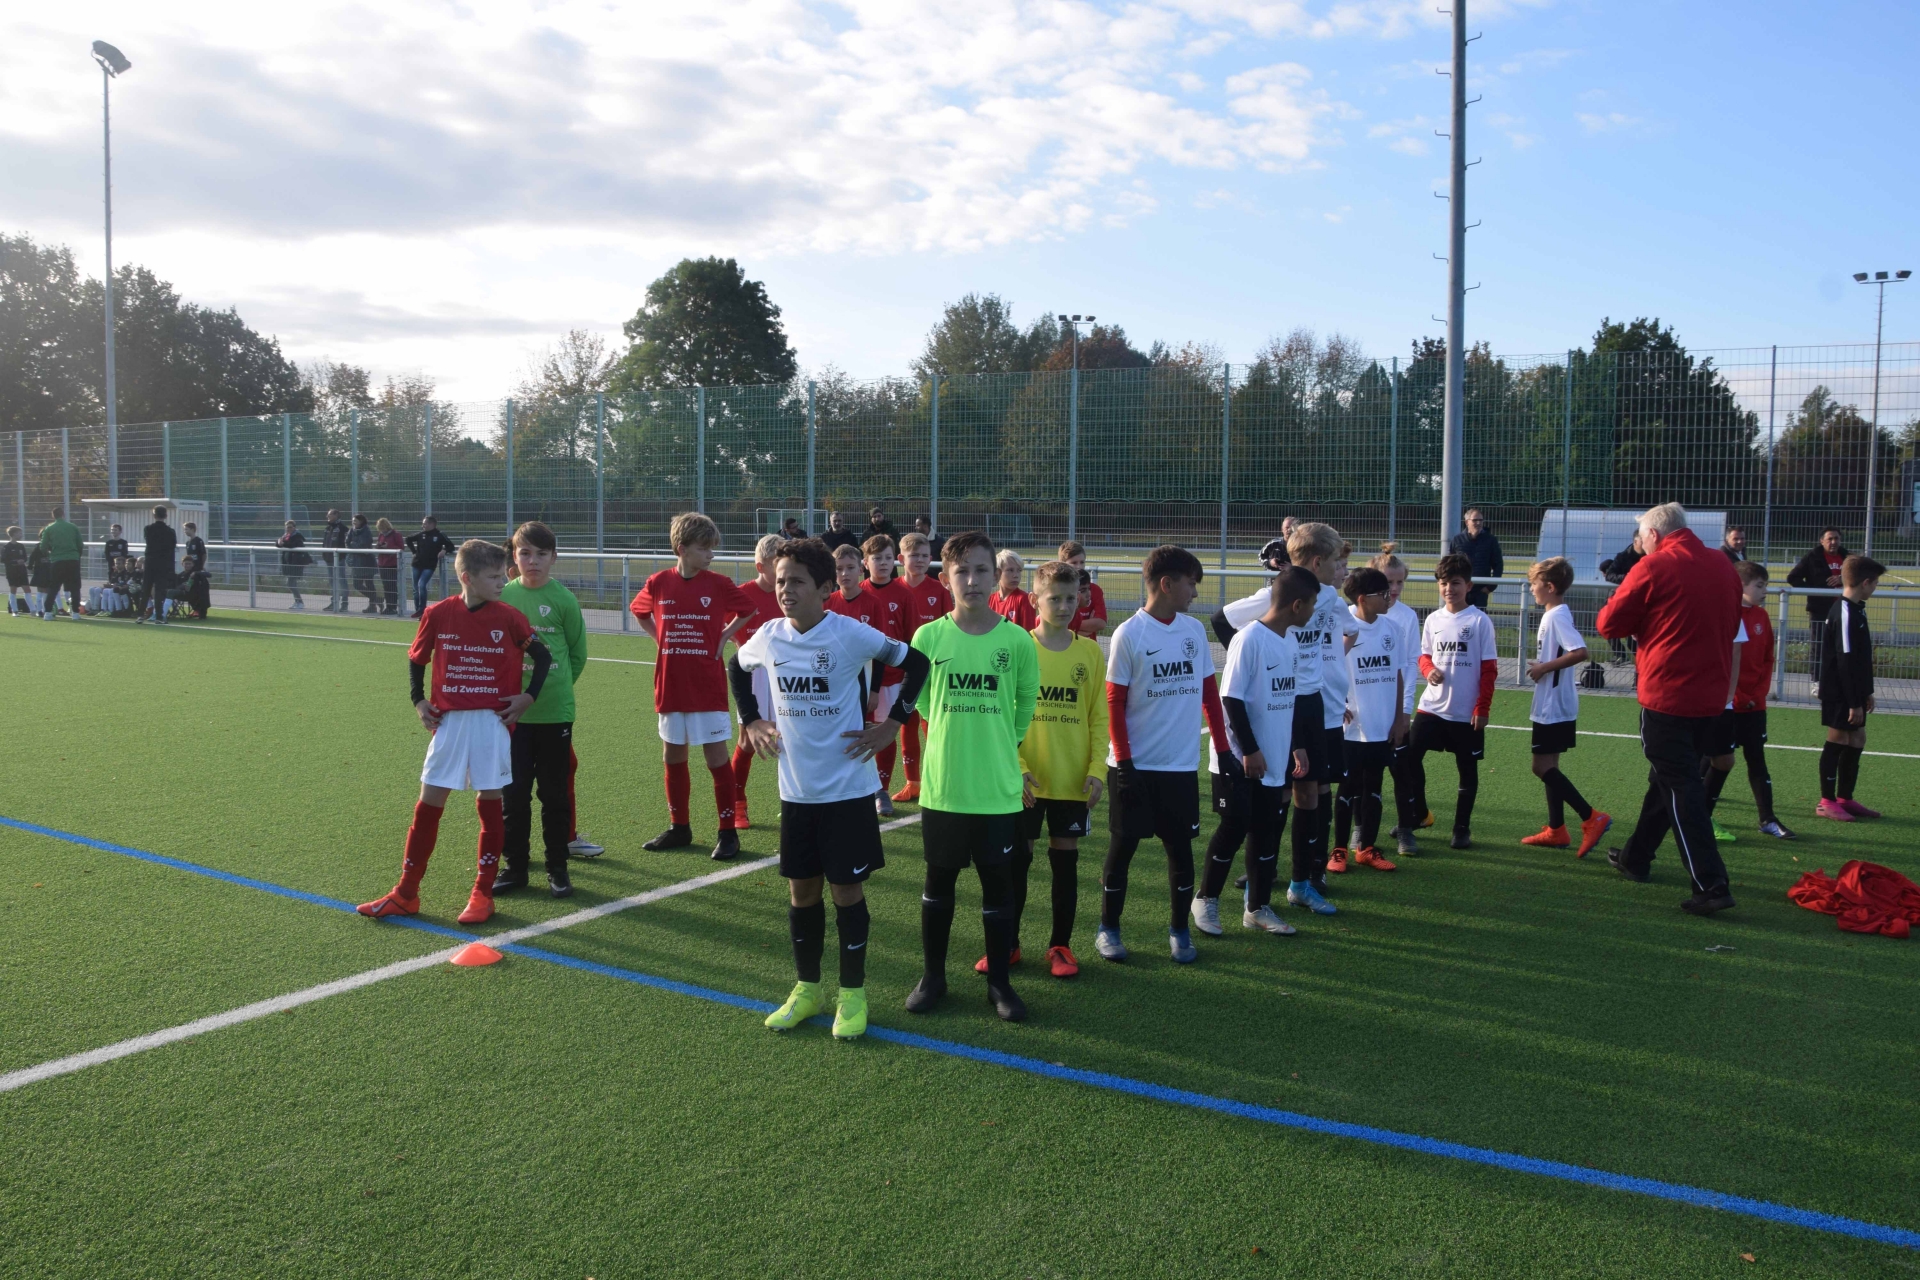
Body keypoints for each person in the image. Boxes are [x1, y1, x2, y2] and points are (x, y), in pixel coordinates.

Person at [732, 537, 931, 1041]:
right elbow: (737, 665)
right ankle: (807, 990)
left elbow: (917, 664)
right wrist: (751, 719)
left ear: (825, 588)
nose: (785, 590)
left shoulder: (849, 633)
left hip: (847, 791)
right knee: (802, 893)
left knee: (846, 891)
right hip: (796, 793)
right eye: (780, 580)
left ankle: (853, 995)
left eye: (796, 581)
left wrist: (892, 723)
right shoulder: (770, 636)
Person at [357, 539, 551, 925]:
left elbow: (542, 656)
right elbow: (417, 659)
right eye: (494, 577)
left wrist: (528, 697)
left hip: (491, 723)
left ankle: (482, 893)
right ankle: (406, 893)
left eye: (503, 575)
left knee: (490, 803)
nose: (503, 582)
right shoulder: (438, 613)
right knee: (428, 804)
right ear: (467, 577)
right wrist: (418, 700)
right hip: (448, 723)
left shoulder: (510, 617)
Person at [903, 530, 1039, 1021]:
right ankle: (933, 978)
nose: (973, 580)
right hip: (945, 788)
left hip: (998, 790)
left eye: (982, 570)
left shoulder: (1017, 640)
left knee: (998, 889)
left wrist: (1002, 742)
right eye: (962, 571)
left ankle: (999, 983)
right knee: (938, 885)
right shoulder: (928, 638)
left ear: (995, 575)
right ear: (946, 578)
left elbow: (1025, 704)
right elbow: (922, 703)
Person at [1596, 502, 1742, 916]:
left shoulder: (1654, 566)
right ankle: (1636, 857)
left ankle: (1711, 883)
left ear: (1654, 535)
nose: (1639, 545)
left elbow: (1608, 624)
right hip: (1711, 695)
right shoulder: (1722, 564)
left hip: (1668, 693)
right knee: (1668, 776)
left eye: (1641, 538)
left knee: (1681, 786)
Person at [1096, 544, 1235, 965]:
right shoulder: (1129, 633)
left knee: (1180, 852)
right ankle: (1108, 928)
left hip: (1180, 768)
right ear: (1166, 584)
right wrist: (1124, 763)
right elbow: (1114, 703)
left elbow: (1210, 696)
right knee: (1122, 849)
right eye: (1191, 583)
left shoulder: (1193, 632)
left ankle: (1179, 930)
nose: (1196, 592)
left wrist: (1224, 750)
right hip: (1135, 768)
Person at [1192, 565, 1317, 939]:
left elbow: (1287, 701)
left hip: (1274, 759)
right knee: (1233, 829)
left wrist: (1295, 746)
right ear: (1297, 605)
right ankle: (1205, 899)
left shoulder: (1290, 642)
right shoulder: (1249, 639)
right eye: (1312, 604)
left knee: (1266, 832)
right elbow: (1231, 699)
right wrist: (1249, 750)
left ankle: (1257, 908)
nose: (1313, 612)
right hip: (1240, 760)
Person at [1212, 533, 1335, 908]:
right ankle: (1247, 884)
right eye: (1335, 561)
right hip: (1264, 719)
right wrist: (1255, 665)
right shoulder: (1266, 613)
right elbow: (1221, 623)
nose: (1340, 569)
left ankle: (1296, 883)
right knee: (1260, 807)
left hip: (1300, 711)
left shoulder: (1324, 603)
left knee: (1304, 797)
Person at [1000, 560, 1108, 977]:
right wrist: (1018, 766)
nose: (1064, 607)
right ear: (1034, 600)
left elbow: (1098, 717)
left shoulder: (1089, 652)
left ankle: (1060, 946)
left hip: (1072, 780)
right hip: (1025, 781)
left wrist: (1097, 768)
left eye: (1070, 598)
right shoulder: (1018, 647)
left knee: (1065, 864)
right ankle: (1008, 944)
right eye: (1054, 599)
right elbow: (1004, 717)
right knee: (1017, 863)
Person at [630, 512, 757, 860]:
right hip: (670, 684)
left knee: (716, 757)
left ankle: (728, 832)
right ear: (682, 549)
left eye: (712, 548)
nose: (710, 554)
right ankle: (679, 827)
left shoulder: (718, 584)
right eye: (704, 548)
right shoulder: (658, 582)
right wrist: (660, 639)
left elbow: (748, 609)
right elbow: (639, 611)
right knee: (673, 755)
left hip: (706, 684)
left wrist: (725, 636)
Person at [494, 521, 590, 899]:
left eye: (541, 554)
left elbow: (577, 654)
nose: (533, 561)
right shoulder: (503, 597)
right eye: (525, 553)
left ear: (554, 558)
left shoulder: (564, 600)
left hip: (555, 714)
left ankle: (557, 868)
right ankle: (515, 867)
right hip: (511, 716)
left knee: (554, 795)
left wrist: (555, 689)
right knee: (513, 794)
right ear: (514, 556)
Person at [1519, 557, 1611, 857]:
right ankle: (1556, 830)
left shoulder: (1556, 616)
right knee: (1551, 765)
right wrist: (1545, 665)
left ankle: (1591, 817)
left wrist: (1544, 668)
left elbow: (1580, 652)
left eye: (1534, 584)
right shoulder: (1555, 613)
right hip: (1556, 701)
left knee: (1540, 766)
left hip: (1553, 704)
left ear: (1550, 586)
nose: (1531, 588)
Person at [1407, 554, 1498, 850]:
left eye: (1456, 583)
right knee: (1407, 758)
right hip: (1432, 706)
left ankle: (1461, 828)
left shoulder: (1479, 621)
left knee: (1467, 769)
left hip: (1465, 712)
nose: (1449, 589)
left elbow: (1489, 669)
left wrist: (1482, 708)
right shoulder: (1433, 619)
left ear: (1468, 586)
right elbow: (1424, 655)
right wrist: (1428, 670)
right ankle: (1418, 814)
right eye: (1444, 583)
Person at [1708, 561, 1793, 839]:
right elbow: (1722, 662)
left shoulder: (1761, 617)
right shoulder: (1725, 615)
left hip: (1754, 704)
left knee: (1757, 759)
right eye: (1759, 585)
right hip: (1727, 704)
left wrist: (1757, 694)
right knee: (1712, 761)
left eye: (1765, 585)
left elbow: (1768, 659)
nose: (1765, 591)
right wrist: (1737, 696)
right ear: (1740, 585)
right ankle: (1701, 817)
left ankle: (1767, 819)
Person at [1334, 566, 1409, 871]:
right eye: (1383, 593)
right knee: (1347, 788)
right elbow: (1329, 670)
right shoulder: (1343, 629)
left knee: (1374, 786)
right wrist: (1335, 704)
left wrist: (1400, 718)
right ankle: (1339, 850)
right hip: (1351, 728)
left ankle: (1367, 848)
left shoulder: (1392, 629)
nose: (1390, 596)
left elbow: (1398, 674)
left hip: (1383, 725)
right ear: (1363, 599)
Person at [825, 541, 902, 815]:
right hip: (837, 686)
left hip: (866, 684)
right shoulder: (828, 603)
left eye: (850, 568)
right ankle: (843, 789)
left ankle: (881, 790)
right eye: (839, 569)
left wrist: (874, 689)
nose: (844, 574)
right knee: (840, 734)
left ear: (861, 569)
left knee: (877, 733)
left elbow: (881, 650)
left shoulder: (873, 603)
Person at [1816, 554, 1884, 822]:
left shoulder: (1857, 609)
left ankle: (1845, 797)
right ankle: (1826, 801)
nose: (1875, 588)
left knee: (1857, 738)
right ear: (1865, 582)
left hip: (1854, 691)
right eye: (1875, 583)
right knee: (1838, 738)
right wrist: (1854, 702)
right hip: (1839, 692)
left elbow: (1860, 658)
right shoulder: (1843, 611)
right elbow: (1844, 660)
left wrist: (1866, 691)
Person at [727, 534, 788, 831]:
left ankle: (795, 802)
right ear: (761, 566)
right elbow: (722, 626)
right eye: (777, 564)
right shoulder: (742, 594)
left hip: (787, 672)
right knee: (748, 742)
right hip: (753, 675)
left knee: (792, 738)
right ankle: (737, 804)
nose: (783, 571)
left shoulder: (788, 592)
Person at [1371, 544, 1427, 857]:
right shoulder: (1354, 615)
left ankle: (1406, 829)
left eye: (1399, 582)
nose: (1393, 588)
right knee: (1365, 776)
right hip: (1366, 712)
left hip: (1395, 712)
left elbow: (1409, 665)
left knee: (1402, 772)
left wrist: (1404, 712)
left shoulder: (1406, 617)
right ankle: (1361, 830)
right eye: (1387, 582)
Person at [889, 530, 952, 804]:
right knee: (907, 725)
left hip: (933, 671)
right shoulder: (893, 589)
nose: (920, 560)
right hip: (901, 671)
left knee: (933, 725)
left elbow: (949, 629)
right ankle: (912, 783)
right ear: (901, 558)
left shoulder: (938, 590)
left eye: (925, 555)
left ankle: (940, 778)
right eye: (914, 555)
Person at [1788, 528, 1847, 681]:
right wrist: (1814, 591)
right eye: (1830, 539)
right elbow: (1793, 578)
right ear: (1822, 541)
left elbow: (1862, 576)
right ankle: (1817, 680)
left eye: (1836, 538)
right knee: (1819, 645)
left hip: (1844, 609)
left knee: (1842, 646)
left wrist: (1843, 579)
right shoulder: (1813, 557)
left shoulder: (1847, 557)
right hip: (1820, 609)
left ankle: (1838, 679)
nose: (1833, 542)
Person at [1447, 507, 1503, 609]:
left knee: (1479, 617)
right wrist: (1454, 584)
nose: (1478, 523)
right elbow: (1450, 564)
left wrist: (1490, 587)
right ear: (1467, 522)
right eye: (1475, 520)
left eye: (1481, 520)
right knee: (1459, 616)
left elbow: (1498, 565)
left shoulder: (1491, 540)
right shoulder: (1457, 540)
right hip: (1461, 589)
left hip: (1480, 591)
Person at [36, 506, 84, 619]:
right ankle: (75, 612)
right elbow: (80, 544)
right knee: (75, 588)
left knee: (54, 587)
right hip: (72, 559)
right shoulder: (72, 527)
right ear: (63, 514)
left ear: (53, 516)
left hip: (57, 560)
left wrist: (50, 554)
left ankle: (48, 612)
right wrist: (77, 556)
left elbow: (43, 546)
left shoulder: (49, 528)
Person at [405, 516, 457, 617]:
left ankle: (422, 610)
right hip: (417, 564)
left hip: (429, 565)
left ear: (432, 524)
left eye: (425, 523)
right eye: (423, 523)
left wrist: (444, 550)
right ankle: (418, 610)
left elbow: (451, 546)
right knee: (415, 588)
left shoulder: (439, 535)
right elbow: (408, 539)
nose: (423, 525)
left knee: (421, 585)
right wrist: (414, 552)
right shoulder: (421, 534)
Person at [1058, 540, 1108, 639]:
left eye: (1082, 562)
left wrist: (1071, 626)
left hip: (1088, 645)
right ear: (1063, 564)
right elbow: (1055, 624)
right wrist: (1089, 625)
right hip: (1063, 644)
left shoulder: (1095, 590)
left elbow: (1101, 623)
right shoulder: (1057, 590)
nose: (1079, 566)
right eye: (1074, 563)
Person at [139, 507, 180, 624]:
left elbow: (148, 542)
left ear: (154, 515)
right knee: (159, 590)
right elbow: (172, 548)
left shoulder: (148, 529)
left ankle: (140, 615)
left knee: (146, 588)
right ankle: (158, 616)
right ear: (166, 516)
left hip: (150, 562)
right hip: (163, 563)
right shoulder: (170, 531)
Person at [989, 549, 1037, 628]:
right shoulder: (989, 600)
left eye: (1019, 570)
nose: (1016, 575)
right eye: (1010, 570)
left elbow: (1028, 633)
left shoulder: (1024, 599)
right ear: (998, 573)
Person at [274, 520, 310, 611]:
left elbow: (292, 545)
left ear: (294, 528)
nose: (288, 529)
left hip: (296, 563)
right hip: (289, 562)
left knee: (290, 583)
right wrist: (279, 543)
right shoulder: (286, 536)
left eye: (290, 527)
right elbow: (278, 544)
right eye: (287, 527)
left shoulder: (297, 536)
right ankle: (297, 601)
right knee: (291, 583)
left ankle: (300, 602)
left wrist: (282, 543)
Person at [321, 509, 350, 611]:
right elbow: (324, 543)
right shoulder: (327, 528)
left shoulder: (343, 528)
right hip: (329, 559)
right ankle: (334, 603)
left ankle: (344, 604)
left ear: (336, 515)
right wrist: (324, 555)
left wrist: (342, 555)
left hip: (339, 559)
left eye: (329, 515)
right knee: (332, 581)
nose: (327, 517)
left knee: (342, 581)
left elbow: (346, 544)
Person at [347, 515, 377, 611]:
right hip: (356, 562)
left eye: (355, 521)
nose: (354, 522)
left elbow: (363, 545)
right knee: (357, 584)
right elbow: (347, 542)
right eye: (353, 521)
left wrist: (353, 544)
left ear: (361, 521)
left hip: (367, 562)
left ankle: (372, 606)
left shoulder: (366, 531)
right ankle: (376, 599)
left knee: (369, 583)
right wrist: (354, 545)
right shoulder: (351, 530)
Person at [375, 518, 404, 614]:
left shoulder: (396, 535)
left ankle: (393, 607)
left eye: (383, 527)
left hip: (392, 564)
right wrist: (378, 546)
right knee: (386, 586)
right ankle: (388, 606)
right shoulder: (381, 535)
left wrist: (388, 547)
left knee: (392, 586)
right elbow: (379, 546)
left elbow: (401, 547)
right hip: (382, 563)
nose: (382, 530)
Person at [3, 527, 27, 616]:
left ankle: (33, 610)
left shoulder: (21, 546)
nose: (21, 535)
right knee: (13, 589)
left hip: (22, 570)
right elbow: (4, 559)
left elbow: (25, 557)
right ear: (13, 534)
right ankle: (14, 610)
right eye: (19, 533)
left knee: (27, 589)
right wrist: (15, 562)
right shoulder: (6, 547)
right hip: (12, 571)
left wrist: (23, 560)